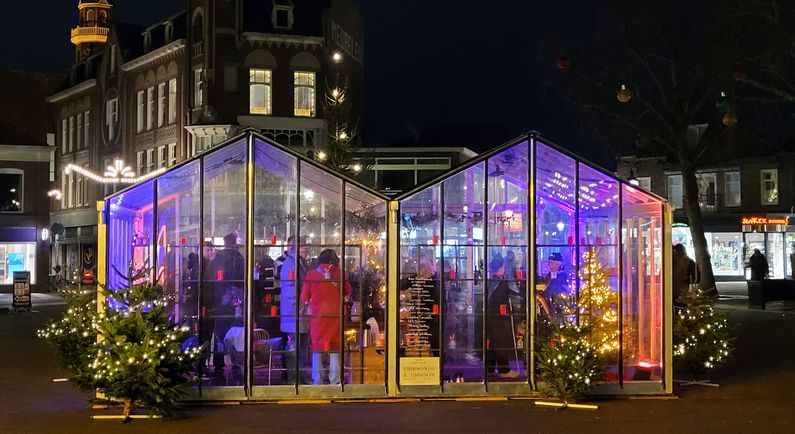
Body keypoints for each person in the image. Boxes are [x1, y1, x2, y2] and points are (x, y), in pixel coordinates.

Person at [300, 249, 352, 384]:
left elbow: (304, 298)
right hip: (335, 317)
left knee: (317, 349)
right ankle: (335, 380)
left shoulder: (311, 274)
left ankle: (318, 379)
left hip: (318, 318)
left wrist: (310, 303)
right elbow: (348, 291)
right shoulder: (340, 274)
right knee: (335, 349)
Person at [279, 235, 310, 383]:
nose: (307, 248)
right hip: (295, 314)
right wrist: (301, 306)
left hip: (298, 313)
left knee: (300, 347)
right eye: (304, 246)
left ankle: (298, 376)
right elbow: (290, 289)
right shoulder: (292, 264)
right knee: (295, 347)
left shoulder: (298, 263)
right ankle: (294, 378)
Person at [486, 255, 520, 379]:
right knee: (501, 343)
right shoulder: (500, 282)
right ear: (500, 268)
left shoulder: (492, 281)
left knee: (493, 343)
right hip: (498, 317)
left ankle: (490, 368)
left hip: (491, 316)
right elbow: (513, 294)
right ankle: (504, 369)